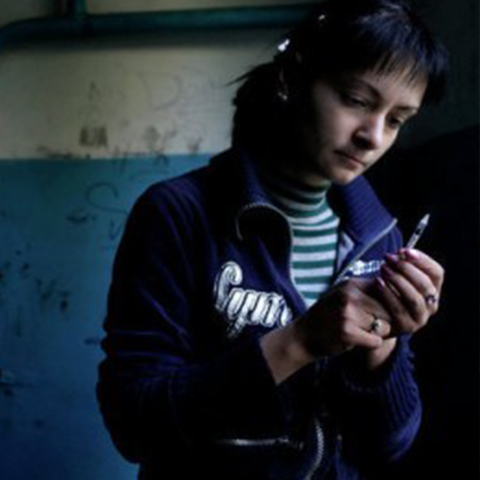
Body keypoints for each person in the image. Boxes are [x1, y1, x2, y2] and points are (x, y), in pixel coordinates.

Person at [97, 1, 449, 479]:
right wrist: (300, 341)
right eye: (358, 100)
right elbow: (135, 423)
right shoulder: (180, 214)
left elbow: (387, 446)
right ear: (291, 80)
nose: (373, 136)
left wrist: (380, 352)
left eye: (396, 120)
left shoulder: (379, 237)